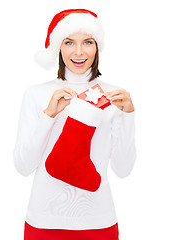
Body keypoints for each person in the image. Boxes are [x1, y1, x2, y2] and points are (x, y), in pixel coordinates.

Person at [13, 9, 136, 240]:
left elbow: (123, 169)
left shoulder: (113, 95)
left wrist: (128, 116)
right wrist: (49, 115)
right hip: (44, 221)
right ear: (58, 46)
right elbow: (23, 166)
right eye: (69, 42)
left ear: (97, 45)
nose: (79, 52)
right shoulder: (36, 94)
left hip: (99, 220)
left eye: (87, 42)